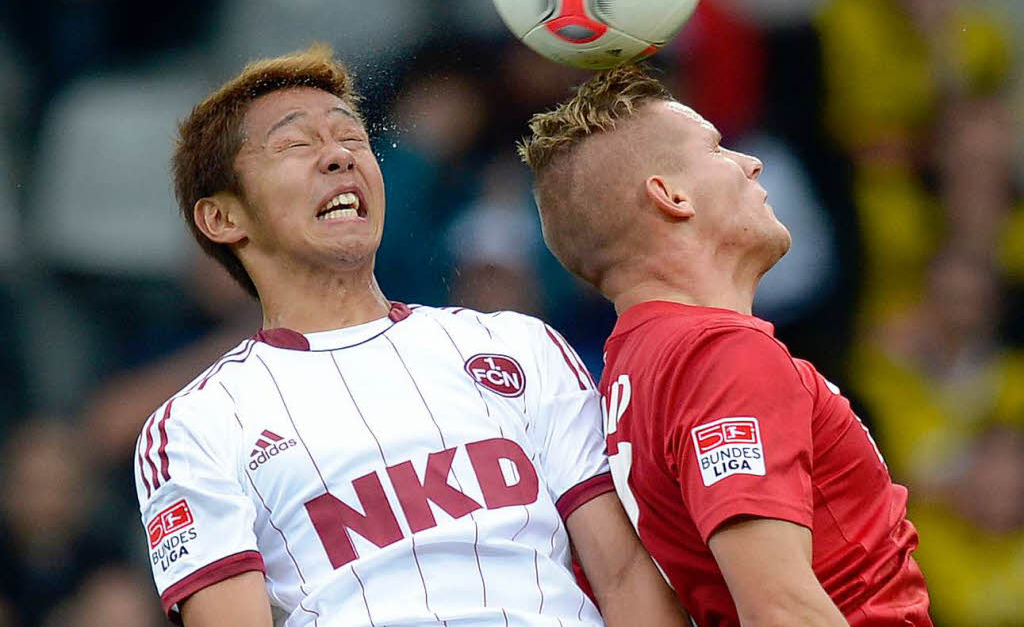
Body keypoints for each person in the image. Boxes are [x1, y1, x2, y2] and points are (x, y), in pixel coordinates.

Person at [133, 45, 686, 627]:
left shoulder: (521, 347)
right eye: (296, 144)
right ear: (222, 218)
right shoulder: (197, 425)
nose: (340, 158)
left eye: (353, 139)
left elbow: (625, 576)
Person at [518, 65, 932, 626]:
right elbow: (778, 609)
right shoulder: (718, 355)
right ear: (672, 195)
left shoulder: (633, 371)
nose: (750, 162)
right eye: (716, 148)